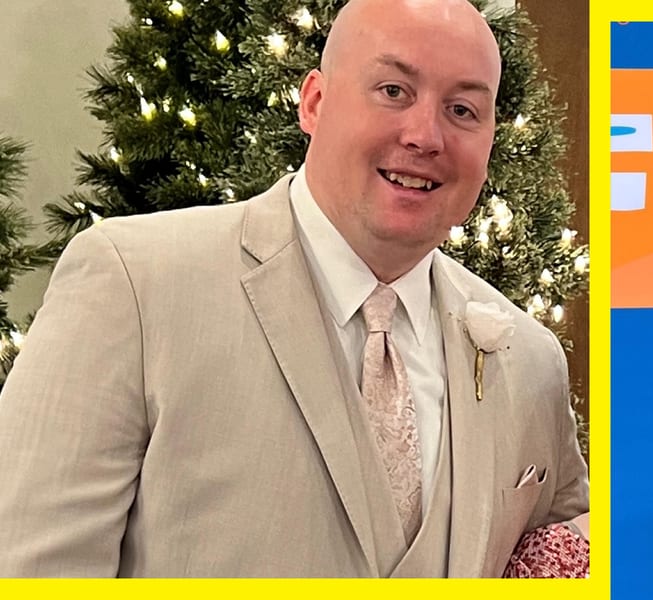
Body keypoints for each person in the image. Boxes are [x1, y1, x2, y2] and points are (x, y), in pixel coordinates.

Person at [0, 0, 587, 577]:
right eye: (393, 91)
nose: (425, 135)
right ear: (315, 101)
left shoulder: (529, 360)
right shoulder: (132, 284)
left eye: (463, 109)